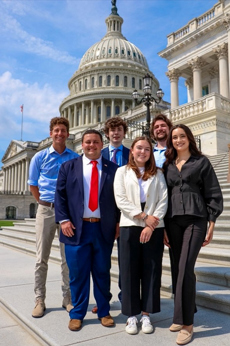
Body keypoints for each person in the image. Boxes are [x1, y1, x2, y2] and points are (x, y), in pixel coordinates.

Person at [163, 124, 223, 345]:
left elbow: (214, 193)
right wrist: (163, 228)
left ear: (189, 138)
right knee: (180, 269)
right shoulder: (167, 165)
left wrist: (212, 223)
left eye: (182, 136)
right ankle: (184, 311)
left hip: (196, 219)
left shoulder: (202, 162)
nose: (178, 140)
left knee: (186, 268)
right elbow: (163, 197)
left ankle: (187, 324)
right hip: (173, 222)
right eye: (174, 137)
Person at [55, 129, 120, 331]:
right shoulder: (68, 167)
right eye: (87, 142)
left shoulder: (114, 169)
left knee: (102, 272)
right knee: (78, 273)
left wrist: (117, 223)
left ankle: (104, 311)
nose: (91, 145)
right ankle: (77, 313)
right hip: (76, 229)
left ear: (102, 144)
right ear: (81, 145)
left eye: (95, 142)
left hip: (103, 228)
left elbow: (119, 200)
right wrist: (64, 220)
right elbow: (60, 196)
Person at [114, 136, 168, 335]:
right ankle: (131, 315)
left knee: (151, 270)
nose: (143, 152)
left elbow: (163, 200)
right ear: (132, 151)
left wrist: (151, 224)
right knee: (128, 270)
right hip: (130, 226)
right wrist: (144, 217)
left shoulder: (158, 174)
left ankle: (146, 314)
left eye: (147, 149)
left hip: (154, 227)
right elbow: (121, 199)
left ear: (150, 153)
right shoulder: (122, 172)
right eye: (139, 148)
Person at [28, 117, 79, 318]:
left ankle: (68, 298)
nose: (59, 134)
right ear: (51, 133)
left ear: (67, 133)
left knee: (68, 259)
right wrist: (44, 203)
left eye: (63, 130)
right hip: (47, 210)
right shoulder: (39, 157)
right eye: (56, 130)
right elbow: (33, 184)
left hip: (68, 212)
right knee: (42, 258)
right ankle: (40, 299)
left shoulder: (74, 158)